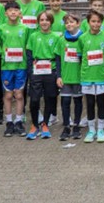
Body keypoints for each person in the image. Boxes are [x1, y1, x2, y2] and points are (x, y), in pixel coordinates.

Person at [25, 11, 63, 140]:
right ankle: (34, 124)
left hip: (50, 70)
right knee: (34, 99)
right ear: (38, 22)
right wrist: (30, 72)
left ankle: (45, 123)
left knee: (50, 98)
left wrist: (58, 74)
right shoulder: (33, 36)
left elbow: (58, 58)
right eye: (42, 20)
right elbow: (29, 55)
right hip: (37, 71)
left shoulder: (57, 37)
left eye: (47, 20)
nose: (44, 22)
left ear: (51, 22)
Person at [80, 0, 104, 129]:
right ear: (90, 6)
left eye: (100, 5)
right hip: (89, 63)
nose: (97, 7)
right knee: (87, 90)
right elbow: (82, 40)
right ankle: (87, 115)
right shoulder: (84, 23)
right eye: (95, 5)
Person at [0, 1, 29, 137]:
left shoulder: (25, 29)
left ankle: (19, 121)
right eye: (10, 10)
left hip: (21, 66)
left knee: (19, 94)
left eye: (16, 10)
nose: (13, 12)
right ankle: (9, 122)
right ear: (6, 13)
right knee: (8, 95)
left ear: (20, 12)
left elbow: (27, 46)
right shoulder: (1, 29)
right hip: (6, 67)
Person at [78, 10, 104, 143]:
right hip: (87, 75)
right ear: (88, 22)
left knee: (101, 102)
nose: (95, 24)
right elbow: (81, 56)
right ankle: (91, 130)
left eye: (98, 21)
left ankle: (101, 129)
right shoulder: (82, 38)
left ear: (101, 23)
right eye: (93, 21)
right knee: (90, 103)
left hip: (101, 75)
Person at [59, 14, 84, 141]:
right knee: (65, 102)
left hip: (79, 77)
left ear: (78, 23)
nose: (69, 24)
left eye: (71, 22)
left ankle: (76, 125)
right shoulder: (61, 39)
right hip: (65, 77)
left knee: (78, 101)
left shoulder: (83, 38)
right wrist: (58, 76)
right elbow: (58, 58)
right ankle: (66, 126)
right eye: (66, 23)